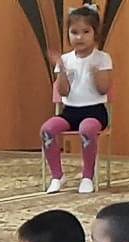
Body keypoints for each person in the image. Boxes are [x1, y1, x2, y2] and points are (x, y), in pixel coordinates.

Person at [41, 1, 112, 195]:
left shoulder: (102, 58)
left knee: (87, 129)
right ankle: (57, 176)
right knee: (47, 129)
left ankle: (87, 176)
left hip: (95, 112)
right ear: (68, 34)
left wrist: (96, 73)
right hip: (70, 112)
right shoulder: (65, 60)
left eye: (85, 32)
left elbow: (103, 89)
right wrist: (62, 70)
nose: (79, 37)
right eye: (74, 32)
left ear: (95, 34)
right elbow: (63, 92)